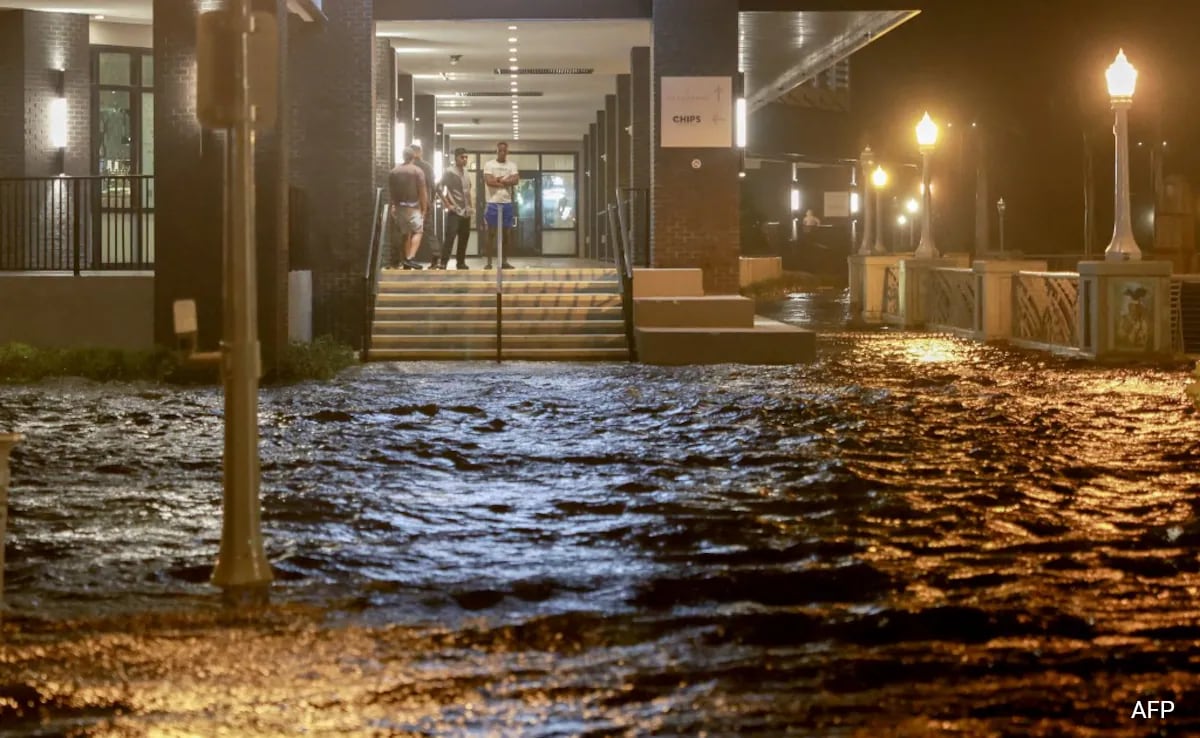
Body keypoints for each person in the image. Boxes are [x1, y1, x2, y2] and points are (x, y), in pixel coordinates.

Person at [387, 145, 427, 270]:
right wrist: (424, 208)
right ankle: (410, 257)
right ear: (413, 157)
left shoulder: (394, 171)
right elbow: (422, 191)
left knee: (405, 234)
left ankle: (405, 260)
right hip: (413, 206)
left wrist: (393, 205)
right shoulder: (417, 171)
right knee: (418, 231)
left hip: (399, 206)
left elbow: (391, 191)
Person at [482, 141, 519, 270]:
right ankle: (489, 262)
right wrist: (504, 181)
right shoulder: (489, 164)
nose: (502, 153)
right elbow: (489, 181)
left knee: (506, 234)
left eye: (504, 151)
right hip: (492, 202)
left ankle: (504, 261)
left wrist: (498, 180)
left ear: (507, 152)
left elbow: (516, 180)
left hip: (507, 203)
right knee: (490, 233)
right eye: (500, 151)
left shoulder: (512, 165)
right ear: (496, 151)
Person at [436, 148, 474, 270]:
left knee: (464, 237)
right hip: (455, 210)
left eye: (466, 157)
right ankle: (443, 262)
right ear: (456, 158)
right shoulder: (450, 172)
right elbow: (438, 188)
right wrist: (447, 205)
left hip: (466, 211)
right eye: (462, 157)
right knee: (450, 237)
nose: (464, 159)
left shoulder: (467, 172)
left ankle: (461, 262)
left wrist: (471, 208)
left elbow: (468, 191)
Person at [410, 143, 443, 269]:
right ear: (420, 152)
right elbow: (433, 186)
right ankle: (436, 257)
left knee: (408, 231)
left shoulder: (409, 167)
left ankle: (407, 258)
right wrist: (431, 200)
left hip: (411, 202)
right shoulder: (428, 167)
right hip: (426, 202)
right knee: (428, 230)